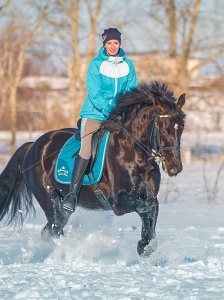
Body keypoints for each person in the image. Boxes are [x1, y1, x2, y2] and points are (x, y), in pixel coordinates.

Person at [62, 27, 138, 212]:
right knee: (86, 149)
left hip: (119, 116)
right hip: (95, 115)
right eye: (109, 43)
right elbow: (94, 94)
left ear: (120, 44)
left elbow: (132, 90)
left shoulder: (128, 65)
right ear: (104, 44)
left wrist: (126, 111)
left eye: (116, 43)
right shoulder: (95, 64)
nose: (113, 46)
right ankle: (72, 193)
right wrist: (112, 111)